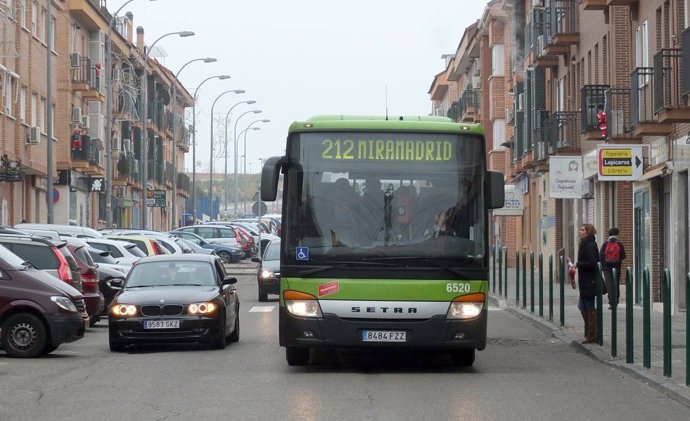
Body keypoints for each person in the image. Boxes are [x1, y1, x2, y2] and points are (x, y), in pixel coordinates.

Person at [576, 223, 600, 344]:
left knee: (588, 305)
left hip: (589, 280)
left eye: (582, 230)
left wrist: (578, 264)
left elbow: (593, 263)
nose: (580, 232)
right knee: (582, 305)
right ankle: (591, 331)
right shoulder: (584, 244)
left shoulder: (590, 245)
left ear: (588, 232)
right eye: (580, 230)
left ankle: (592, 334)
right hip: (584, 280)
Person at [599, 227, 626, 309]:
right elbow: (623, 256)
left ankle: (611, 303)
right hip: (617, 267)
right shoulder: (619, 244)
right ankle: (616, 302)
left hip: (606, 267)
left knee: (609, 284)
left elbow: (600, 256)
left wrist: (602, 265)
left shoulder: (605, 243)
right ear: (617, 234)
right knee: (616, 284)